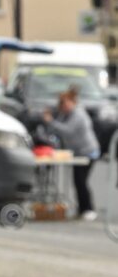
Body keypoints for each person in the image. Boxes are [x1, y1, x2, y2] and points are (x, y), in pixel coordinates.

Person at [43, 87, 100, 220]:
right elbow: (55, 129)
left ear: (72, 102)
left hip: (88, 152)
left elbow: (68, 130)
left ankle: (88, 209)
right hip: (77, 152)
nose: (63, 106)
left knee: (81, 181)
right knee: (77, 181)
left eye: (65, 103)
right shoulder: (65, 114)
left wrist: (51, 120)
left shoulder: (79, 114)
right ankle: (82, 208)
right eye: (61, 104)